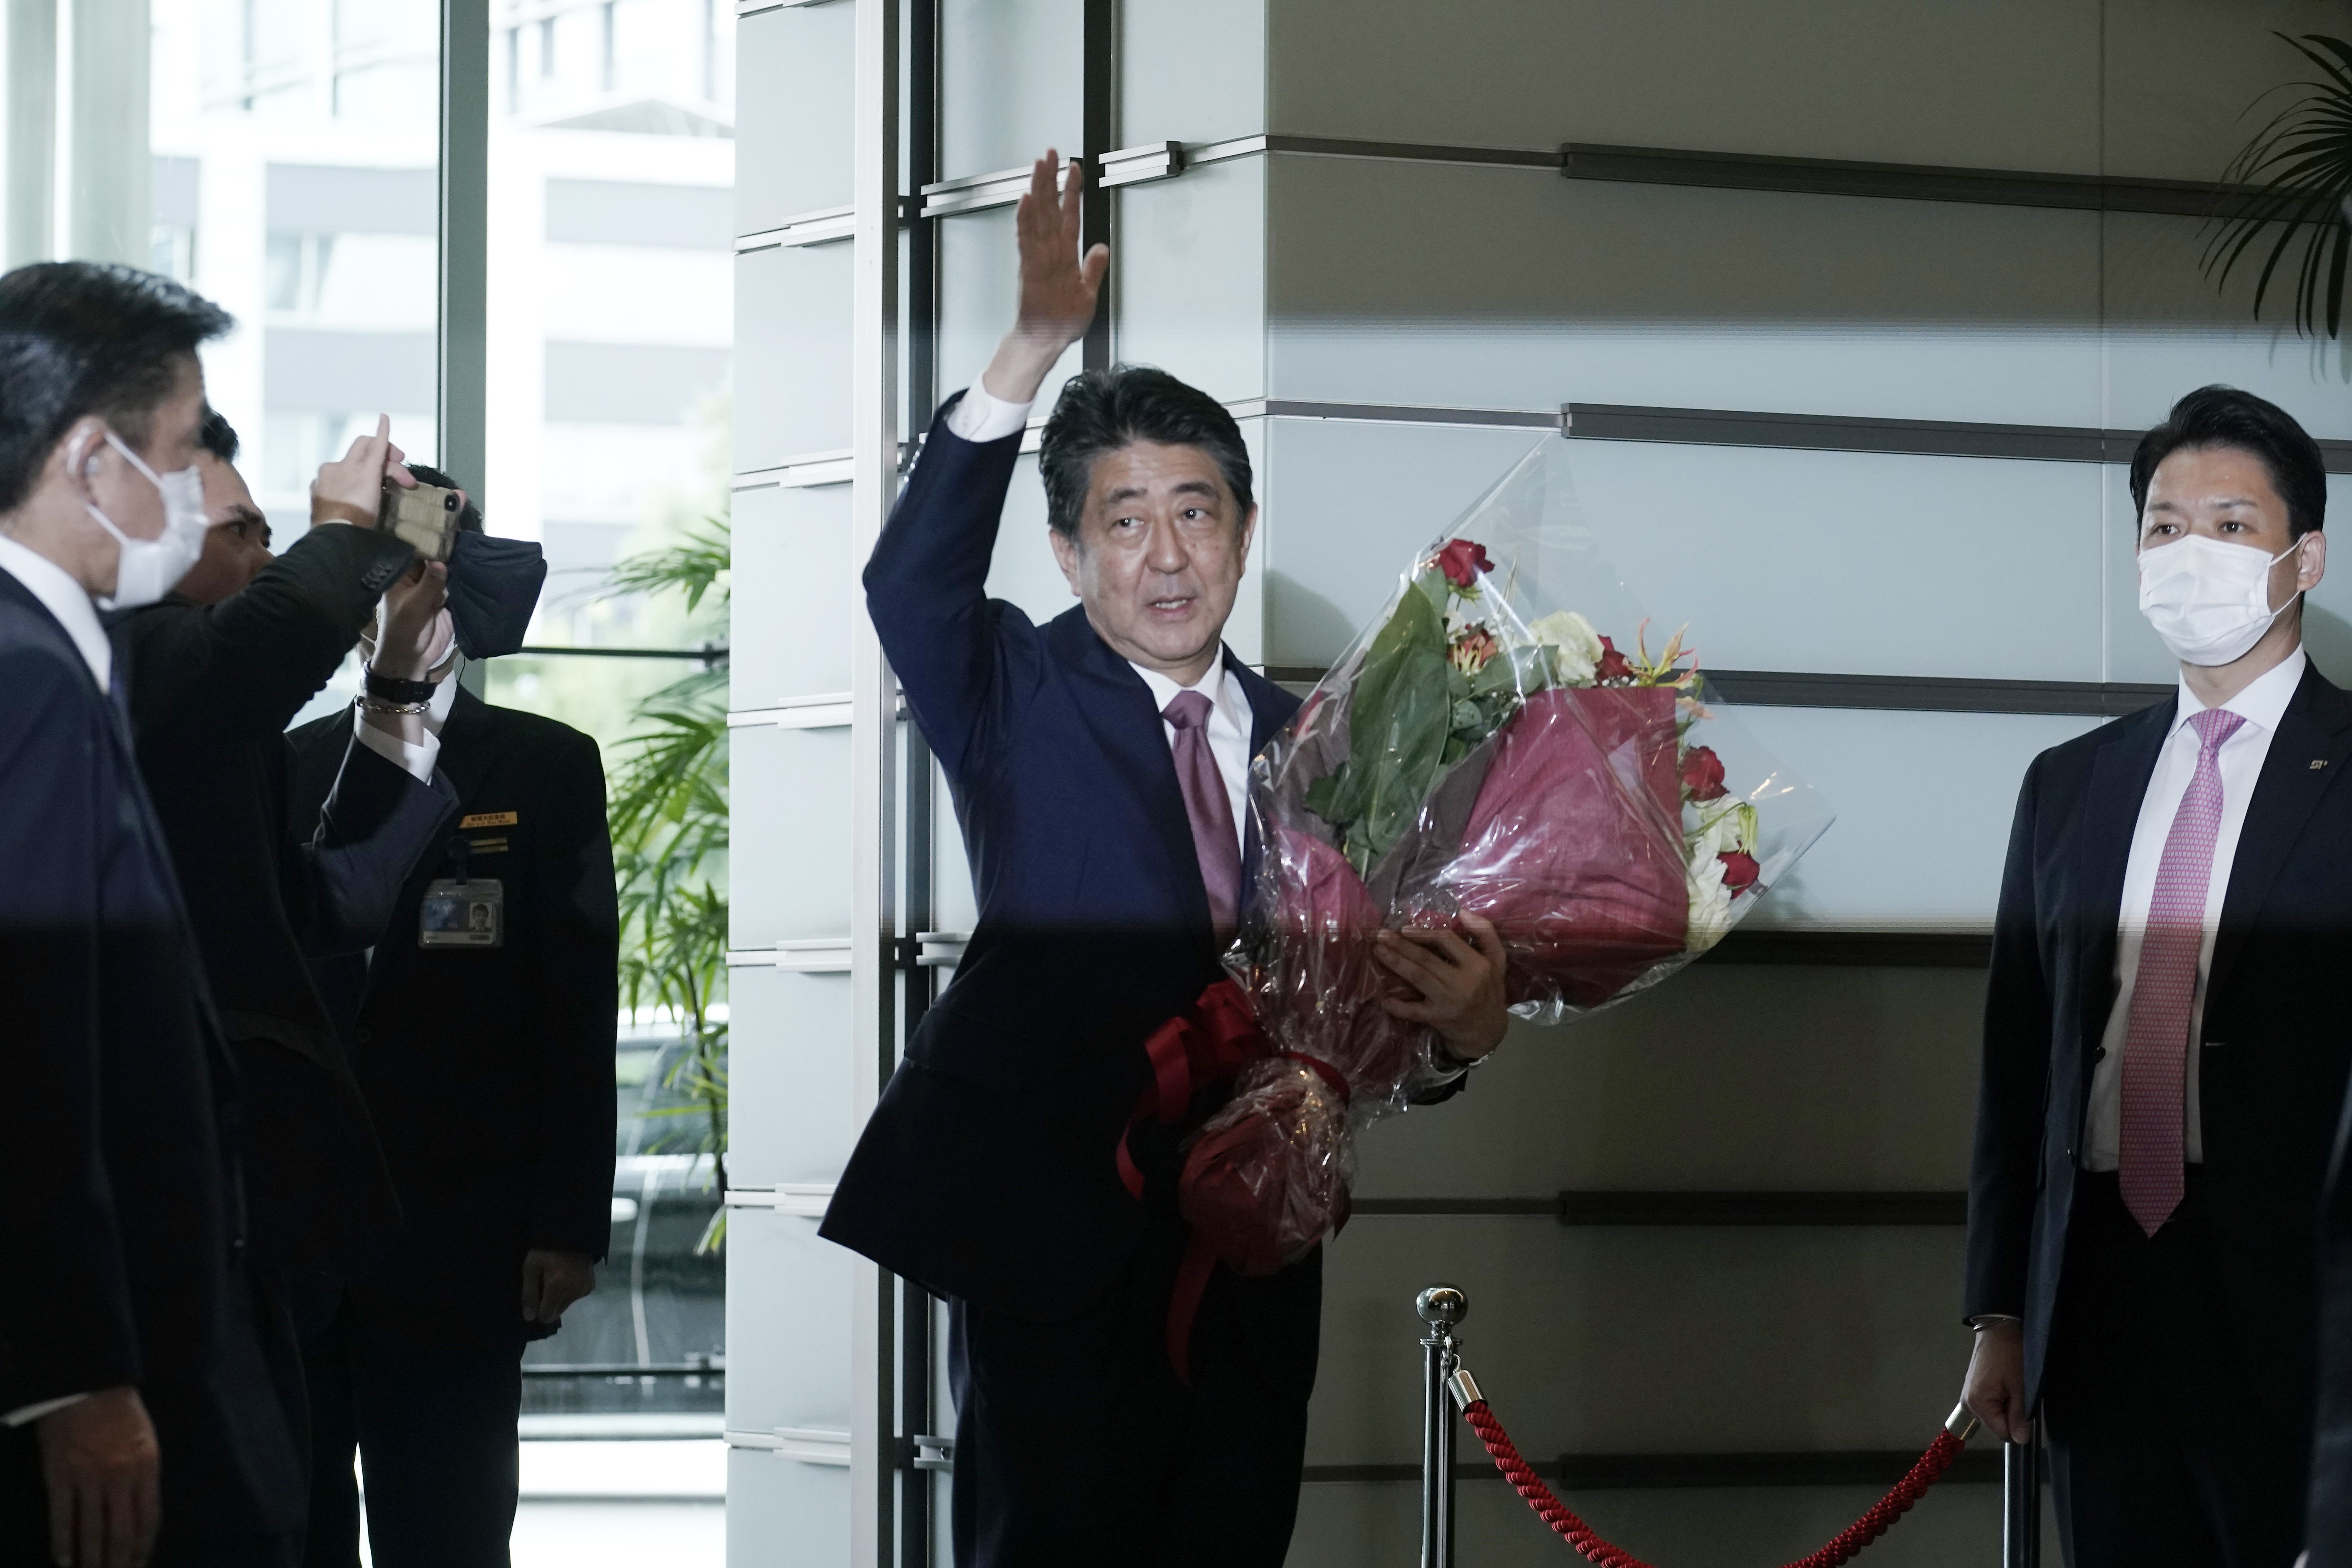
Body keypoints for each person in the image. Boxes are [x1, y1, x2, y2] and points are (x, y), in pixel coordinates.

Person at [820, 152, 1512, 1567]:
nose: (1166, 555)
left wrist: (1460, 1038)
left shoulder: (1333, 750)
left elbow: (1373, 1019)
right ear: (1070, 556)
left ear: (1246, 536)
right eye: (1124, 522)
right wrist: (1030, 349)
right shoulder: (1011, 695)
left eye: (1197, 512)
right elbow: (909, 585)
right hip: (1055, 1258)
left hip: (1256, 1269)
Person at [1961, 384, 2352, 1567]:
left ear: (2305, 560)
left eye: (2231, 526)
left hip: (2300, 1300)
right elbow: (2016, 1056)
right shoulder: (2071, 783)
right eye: (2165, 527)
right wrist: (2000, 1309)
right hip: (2098, 1287)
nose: (2193, 553)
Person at [0, 261, 302, 1568]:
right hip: (110, 1374)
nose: (194, 490)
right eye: (180, 452)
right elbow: (27, 1047)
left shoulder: (67, 657)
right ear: (88, 461)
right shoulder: (29, 677)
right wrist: (76, 1377)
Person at [106, 408, 462, 1450]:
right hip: (150, 1228)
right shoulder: (120, 667)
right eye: (242, 533)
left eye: (275, 537)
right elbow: (257, 647)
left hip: (258, 1220)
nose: (268, 556)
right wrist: (347, 533)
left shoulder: (224, 730)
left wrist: (398, 685)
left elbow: (333, 903)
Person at [287, 465, 617, 1568]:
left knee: (452, 1533)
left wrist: (568, 1223)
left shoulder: (546, 765)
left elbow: (578, 1003)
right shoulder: (285, 765)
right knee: (294, 1528)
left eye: (429, 566)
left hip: (465, 1232)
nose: (409, 596)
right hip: (297, 1240)